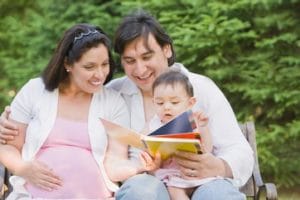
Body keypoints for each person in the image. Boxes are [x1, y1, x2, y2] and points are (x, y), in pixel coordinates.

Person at [0, 9, 254, 200]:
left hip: (203, 179)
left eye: (147, 56)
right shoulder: (113, 92)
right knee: (142, 190)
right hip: (147, 182)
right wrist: (6, 121)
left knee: (217, 194)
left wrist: (219, 165)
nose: (140, 69)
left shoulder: (201, 88)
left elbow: (238, 149)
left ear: (166, 49)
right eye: (130, 61)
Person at [0, 23, 145, 199]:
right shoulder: (35, 90)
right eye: (89, 67)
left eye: (104, 64)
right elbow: (7, 147)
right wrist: (23, 168)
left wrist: (140, 166)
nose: (100, 75)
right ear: (68, 64)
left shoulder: (113, 103)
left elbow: (114, 162)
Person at [140, 70, 214, 200]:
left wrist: (203, 128)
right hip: (170, 176)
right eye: (160, 103)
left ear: (190, 103)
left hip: (195, 173)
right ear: (154, 102)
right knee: (174, 190)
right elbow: (144, 143)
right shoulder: (154, 124)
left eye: (174, 102)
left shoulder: (194, 121)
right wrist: (146, 142)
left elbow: (208, 149)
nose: (166, 107)